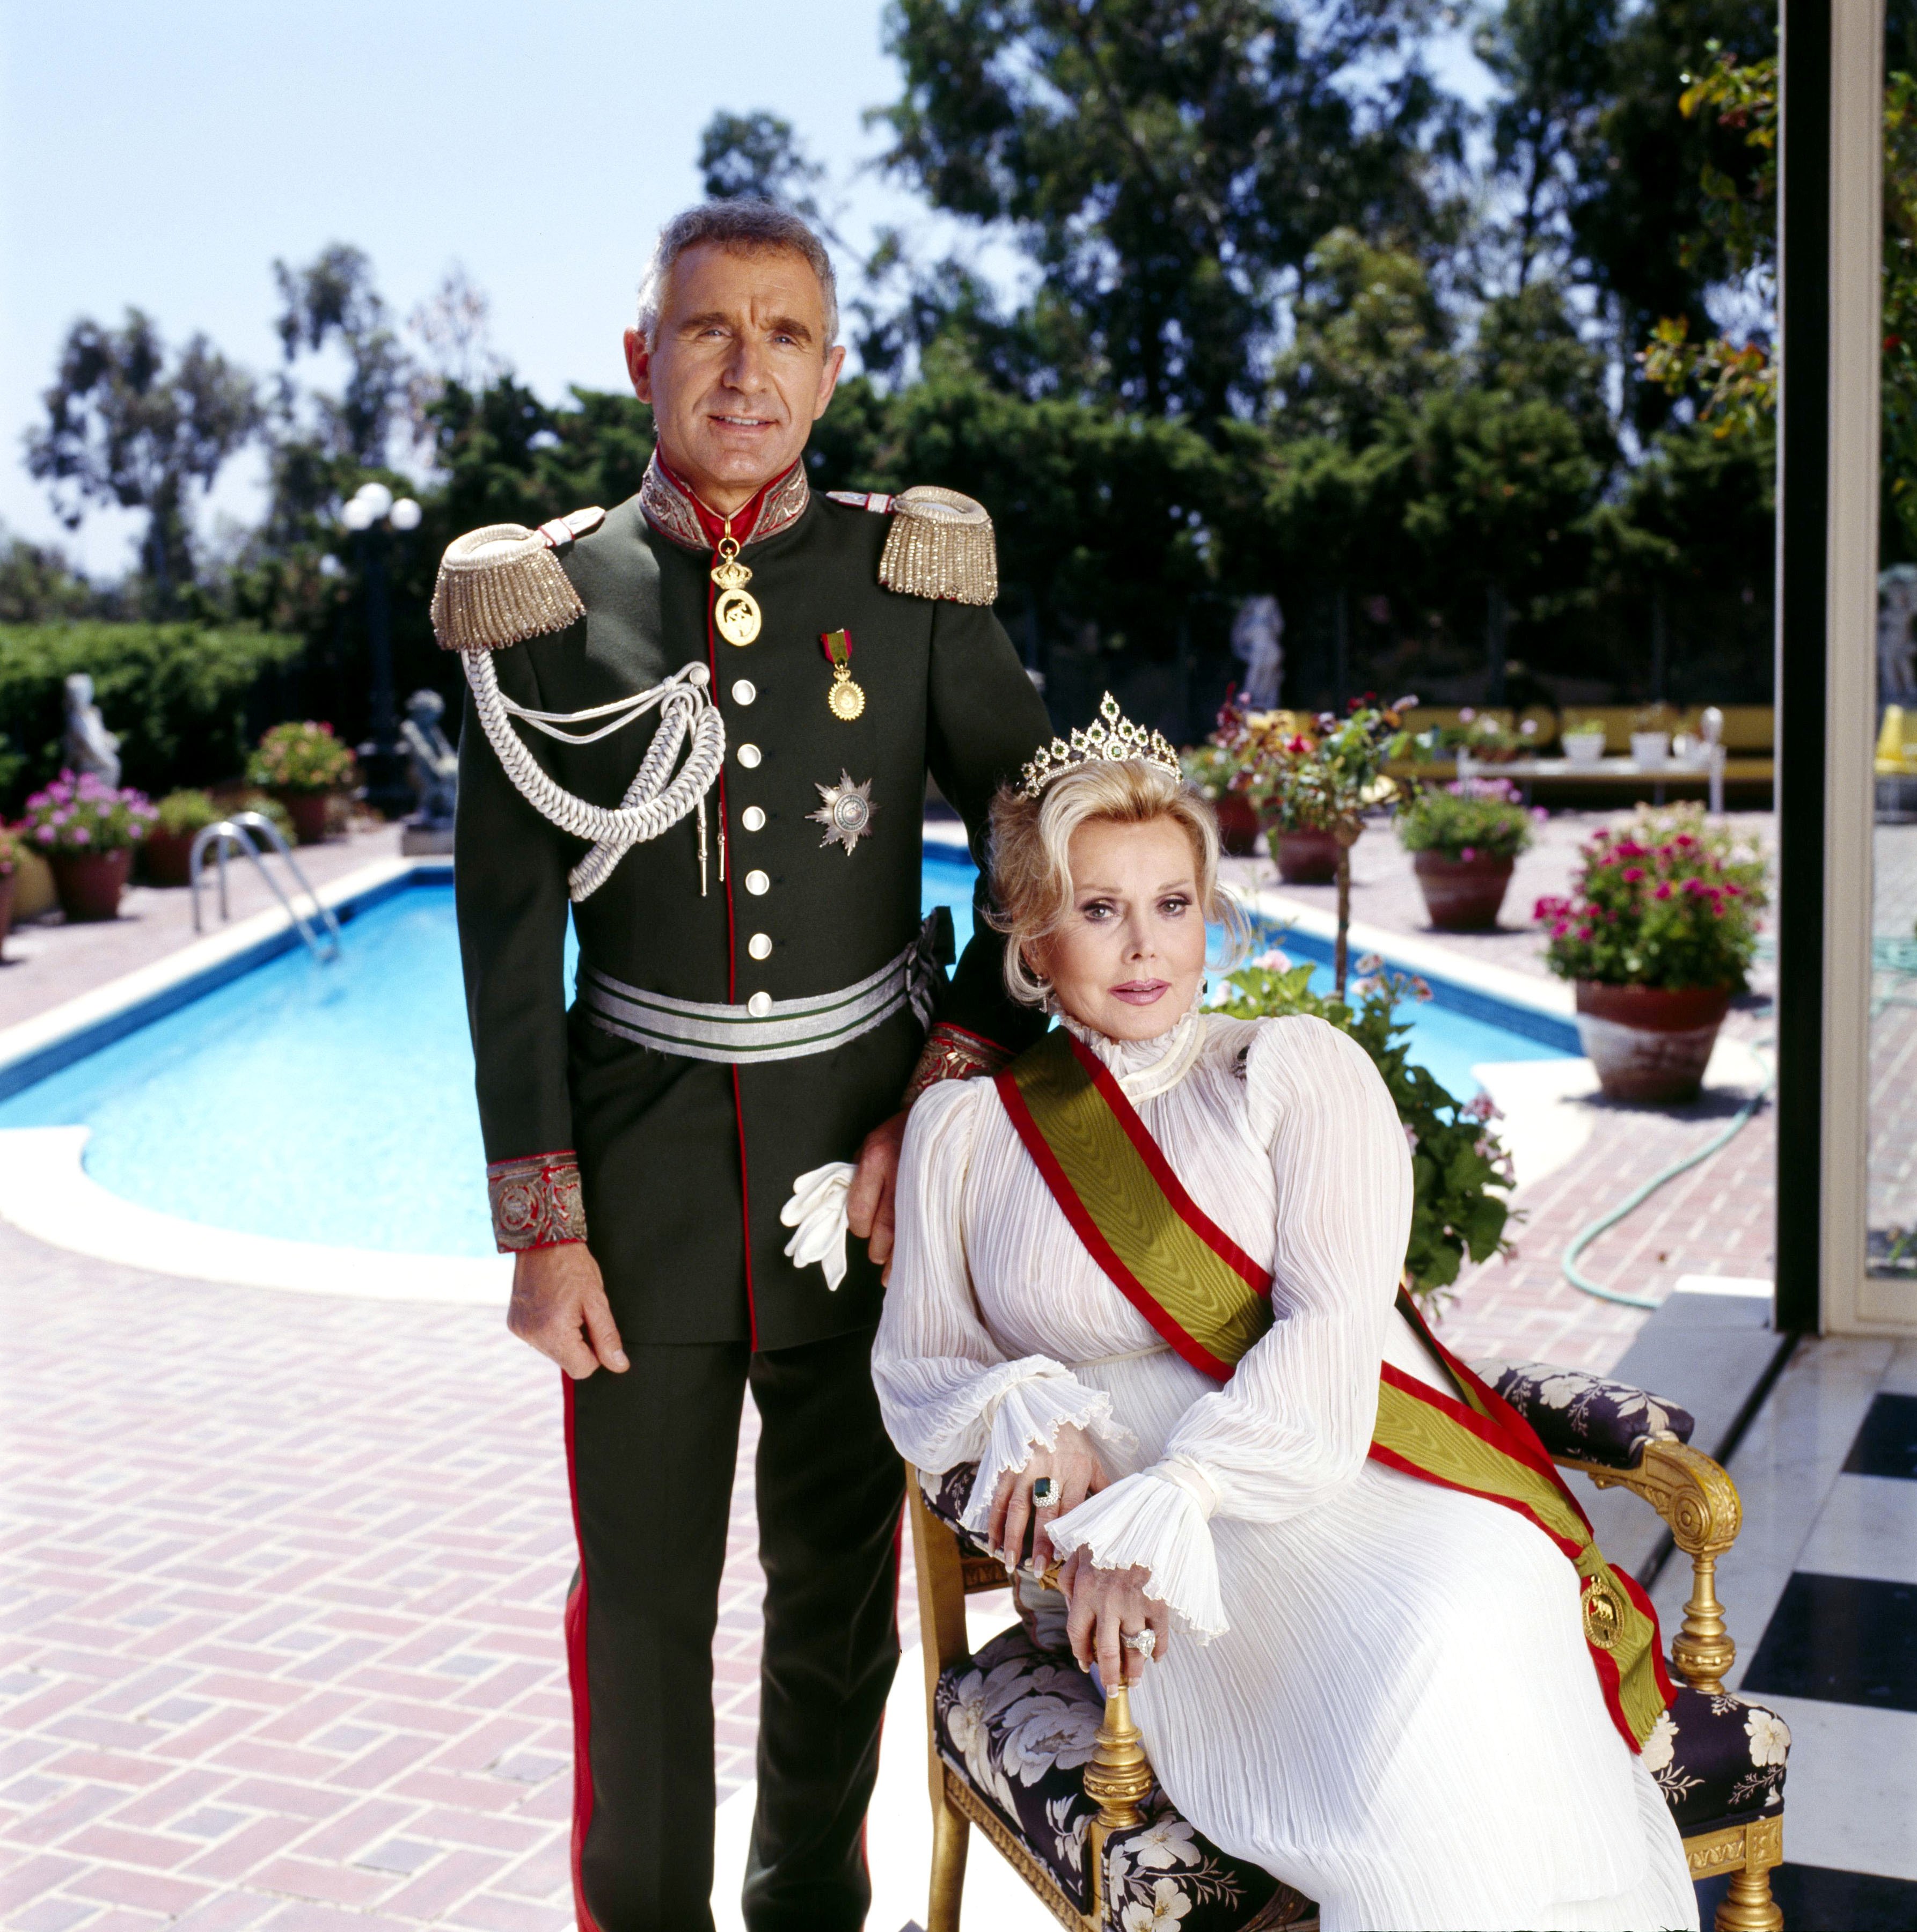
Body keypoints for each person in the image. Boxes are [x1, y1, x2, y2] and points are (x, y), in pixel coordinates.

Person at [441, 200, 1052, 1931]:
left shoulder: (903, 580)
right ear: (643, 356)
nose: (746, 367)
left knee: (833, 1602)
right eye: (709, 330)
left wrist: (946, 1083)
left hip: (859, 1183)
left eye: (786, 334)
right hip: (632, 1192)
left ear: (832, 366)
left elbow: (1044, 845)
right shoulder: (546, 595)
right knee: (636, 1607)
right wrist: (539, 1222)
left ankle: (805, 1914)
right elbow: (502, 935)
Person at [872, 709, 1701, 1932]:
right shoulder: (963, 1134)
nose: (1145, 947)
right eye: (1098, 910)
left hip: (1337, 1474)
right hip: (1182, 1571)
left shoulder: (1290, 1071)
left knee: (1459, 1619)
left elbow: (1329, 1331)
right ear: (1031, 941)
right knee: (1396, 1708)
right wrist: (1023, 1421)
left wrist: (1173, 1501)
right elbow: (921, 1366)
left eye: (1173, 903)